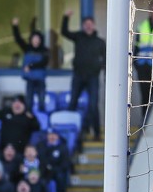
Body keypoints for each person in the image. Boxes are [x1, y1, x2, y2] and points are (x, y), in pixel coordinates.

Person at [60, 10, 105, 140]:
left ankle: (96, 133)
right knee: (72, 103)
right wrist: (66, 17)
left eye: (90, 24)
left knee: (93, 105)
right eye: (86, 24)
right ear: (83, 26)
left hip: (93, 77)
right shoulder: (79, 37)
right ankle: (69, 133)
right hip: (78, 76)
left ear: (94, 25)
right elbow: (64, 32)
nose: (88, 26)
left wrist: (102, 72)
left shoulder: (99, 42)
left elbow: (105, 61)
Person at [11, 18, 49, 112]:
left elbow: (44, 62)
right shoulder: (27, 48)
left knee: (41, 101)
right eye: (34, 39)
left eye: (38, 39)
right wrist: (15, 26)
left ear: (40, 40)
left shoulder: (45, 50)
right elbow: (18, 39)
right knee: (28, 102)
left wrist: (30, 66)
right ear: (31, 40)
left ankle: (42, 120)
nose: (36, 41)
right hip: (30, 79)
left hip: (40, 79)